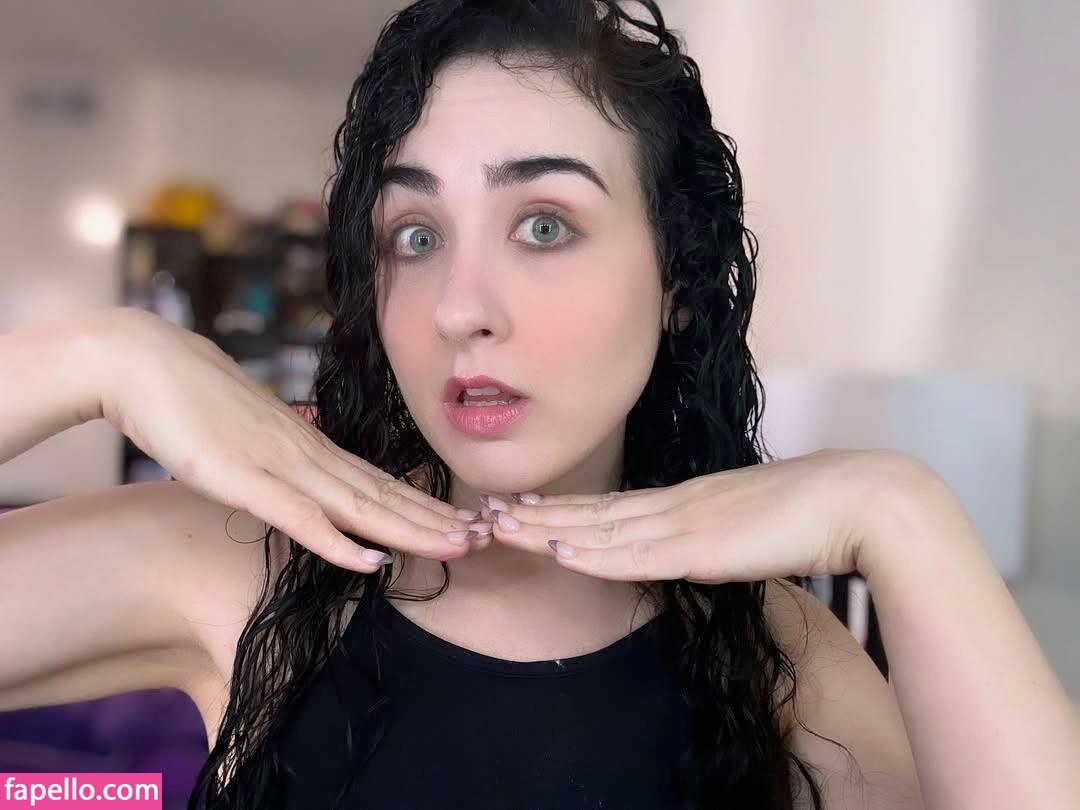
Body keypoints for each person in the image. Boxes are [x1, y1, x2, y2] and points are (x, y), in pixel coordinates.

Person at [1, 1, 1077, 808]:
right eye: (415, 236)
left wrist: (901, 511)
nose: (460, 308)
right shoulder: (248, 566)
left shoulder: (775, 657)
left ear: (678, 283)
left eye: (544, 225)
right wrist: (93, 358)